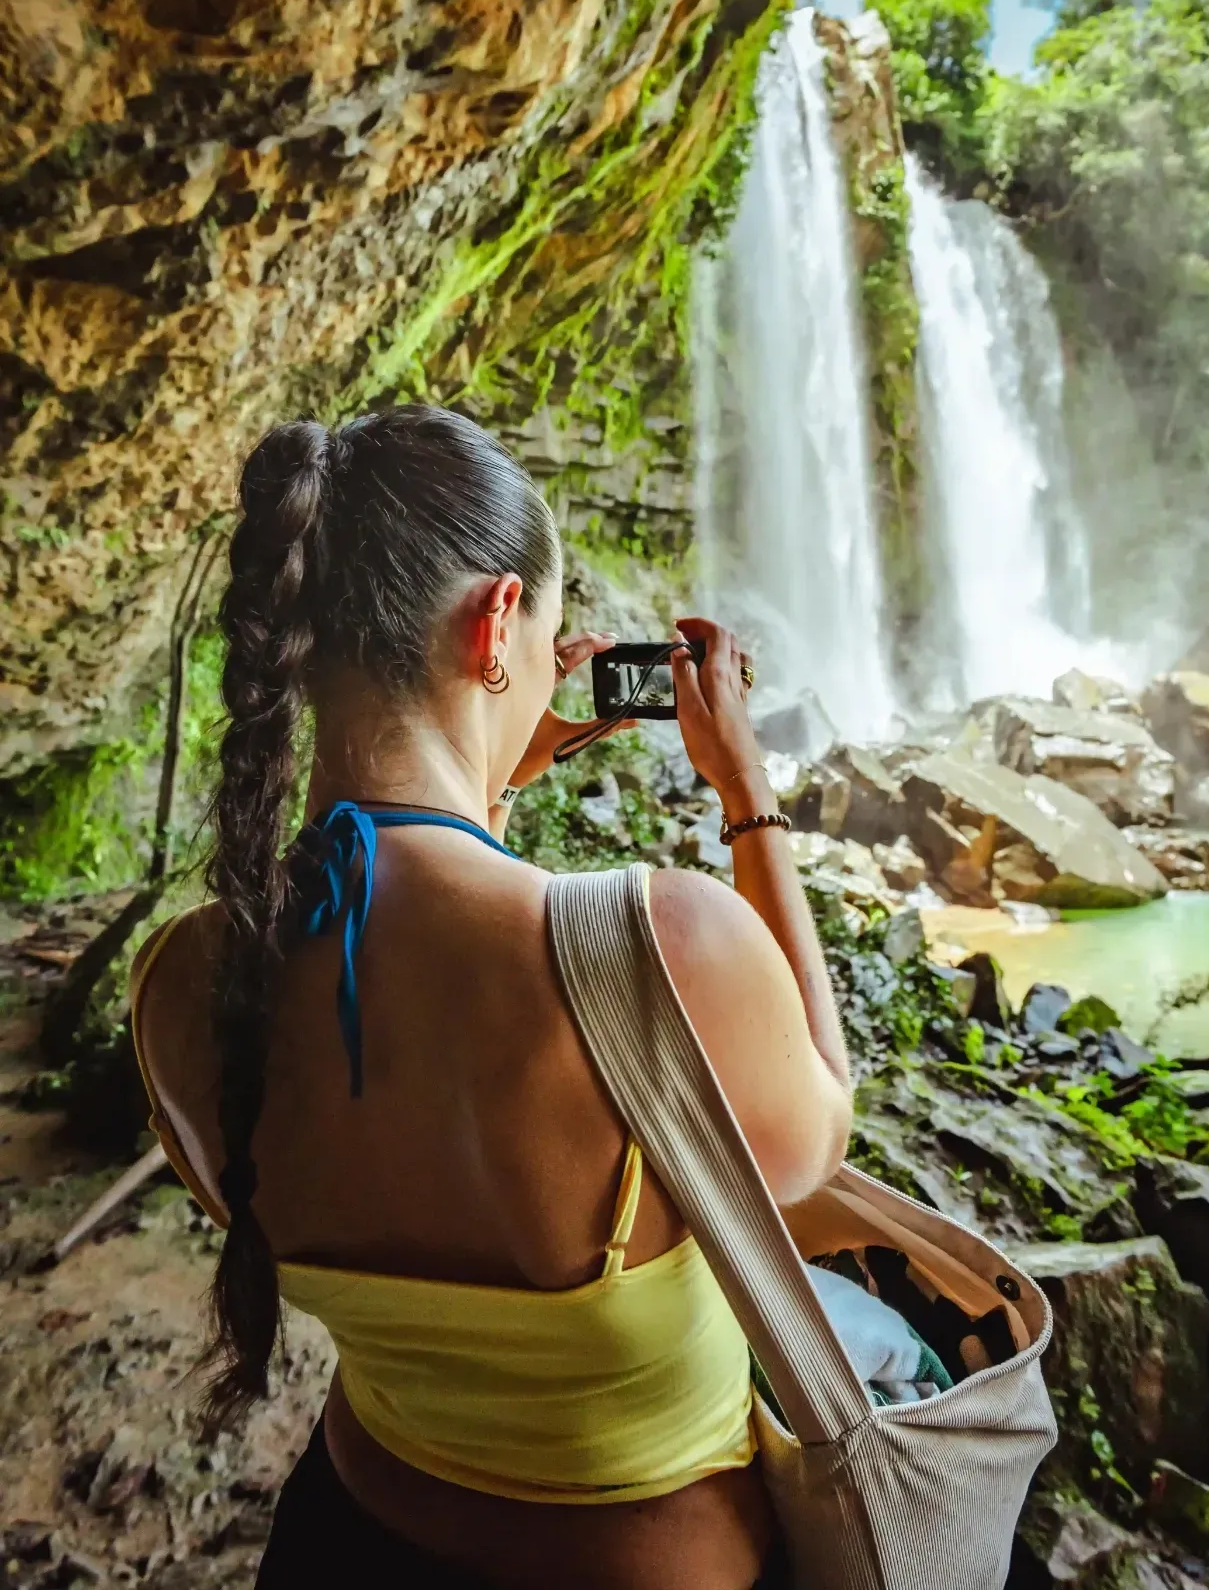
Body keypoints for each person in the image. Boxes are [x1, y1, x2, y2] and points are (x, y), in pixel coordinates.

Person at [131, 405, 854, 1590]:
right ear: (500, 620)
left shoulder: (187, 982)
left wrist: (496, 766)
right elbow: (818, 1133)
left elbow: (417, 919)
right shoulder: (662, 943)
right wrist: (748, 796)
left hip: (347, 1541)